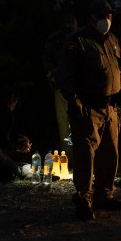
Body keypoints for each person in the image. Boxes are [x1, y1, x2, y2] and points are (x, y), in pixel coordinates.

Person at [58, 0, 121, 221]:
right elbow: (65, 76)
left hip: (110, 107)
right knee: (86, 155)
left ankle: (104, 195)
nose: (107, 20)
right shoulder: (78, 41)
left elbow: (120, 67)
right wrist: (74, 101)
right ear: (92, 18)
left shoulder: (113, 41)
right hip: (88, 107)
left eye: (109, 16)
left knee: (111, 153)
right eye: (103, 16)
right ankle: (83, 198)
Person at [42, 12, 78, 158]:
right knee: (66, 124)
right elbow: (47, 63)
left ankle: (77, 157)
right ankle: (71, 158)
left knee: (70, 124)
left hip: (75, 87)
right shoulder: (56, 39)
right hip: (65, 87)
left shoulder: (80, 37)